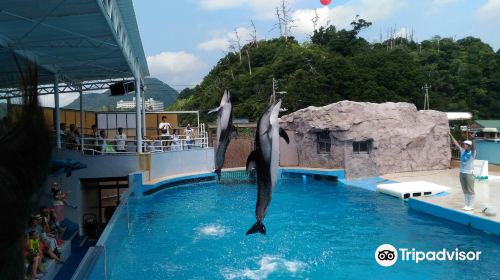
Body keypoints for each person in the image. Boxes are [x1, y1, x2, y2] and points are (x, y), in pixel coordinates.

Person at [450, 133, 476, 211]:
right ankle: (467, 204)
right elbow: (456, 144)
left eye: (466, 144)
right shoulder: (462, 151)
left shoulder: (472, 153)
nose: (464, 145)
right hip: (462, 172)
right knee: (465, 189)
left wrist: (473, 139)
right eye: (464, 144)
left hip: (469, 173)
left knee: (470, 189)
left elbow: (474, 148)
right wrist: (451, 135)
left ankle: (471, 205)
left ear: (469, 146)